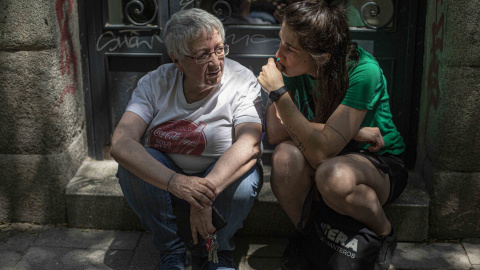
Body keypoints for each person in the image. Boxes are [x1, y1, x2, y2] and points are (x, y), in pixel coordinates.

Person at [256, 0, 408, 269]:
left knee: (333, 175)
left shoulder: (364, 71)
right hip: (328, 151)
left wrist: (278, 94)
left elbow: (322, 152)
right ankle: (308, 235)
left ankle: (385, 233)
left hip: (374, 162)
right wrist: (348, 130)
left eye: (289, 48)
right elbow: (276, 132)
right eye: (280, 41)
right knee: (284, 158)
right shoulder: (292, 66)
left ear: (323, 57)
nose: (279, 54)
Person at [110, 8, 263, 270]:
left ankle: (216, 250)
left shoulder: (240, 80)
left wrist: (204, 193)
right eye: (203, 55)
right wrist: (177, 183)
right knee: (130, 166)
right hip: (168, 185)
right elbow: (121, 143)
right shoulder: (155, 83)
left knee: (247, 177)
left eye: (219, 49)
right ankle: (171, 251)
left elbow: (249, 144)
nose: (216, 63)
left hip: (219, 182)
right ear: (177, 60)